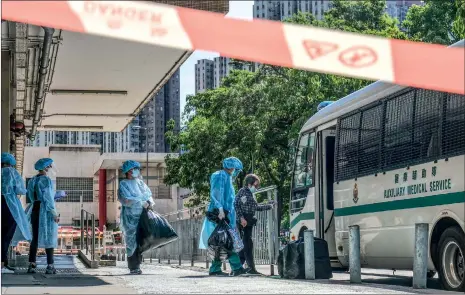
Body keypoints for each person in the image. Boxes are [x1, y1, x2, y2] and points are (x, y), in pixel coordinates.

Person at [199, 157, 247, 276]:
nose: (235, 171)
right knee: (226, 241)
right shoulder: (220, 175)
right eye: (235, 168)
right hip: (219, 214)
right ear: (231, 167)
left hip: (225, 214)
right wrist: (220, 208)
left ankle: (216, 269)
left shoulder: (227, 177)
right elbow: (216, 193)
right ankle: (236, 267)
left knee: (222, 241)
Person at [118, 160, 154, 275]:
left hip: (142, 215)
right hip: (130, 217)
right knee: (131, 241)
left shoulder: (140, 183)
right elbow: (126, 200)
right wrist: (140, 202)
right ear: (128, 171)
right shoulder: (123, 184)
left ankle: (138, 264)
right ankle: (133, 266)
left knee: (140, 240)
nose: (138, 171)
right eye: (135, 168)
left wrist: (149, 202)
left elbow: (148, 194)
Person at [234, 174, 274, 275]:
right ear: (249, 184)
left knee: (245, 245)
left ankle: (238, 268)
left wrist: (270, 206)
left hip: (248, 221)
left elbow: (256, 207)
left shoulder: (249, 194)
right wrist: (241, 218)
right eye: (255, 186)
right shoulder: (243, 192)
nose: (257, 188)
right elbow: (236, 204)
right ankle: (251, 268)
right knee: (248, 245)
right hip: (244, 221)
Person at [25, 158, 60, 274]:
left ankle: (32, 265)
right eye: (49, 166)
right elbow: (49, 198)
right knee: (49, 236)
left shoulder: (32, 180)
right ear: (46, 167)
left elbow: (30, 195)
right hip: (45, 210)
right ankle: (50, 266)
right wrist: (54, 213)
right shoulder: (46, 180)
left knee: (34, 238)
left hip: (34, 208)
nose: (50, 168)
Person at [1, 153, 31, 274]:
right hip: (9, 205)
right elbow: (20, 190)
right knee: (6, 235)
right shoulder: (11, 172)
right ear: (10, 163)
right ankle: (2, 264)